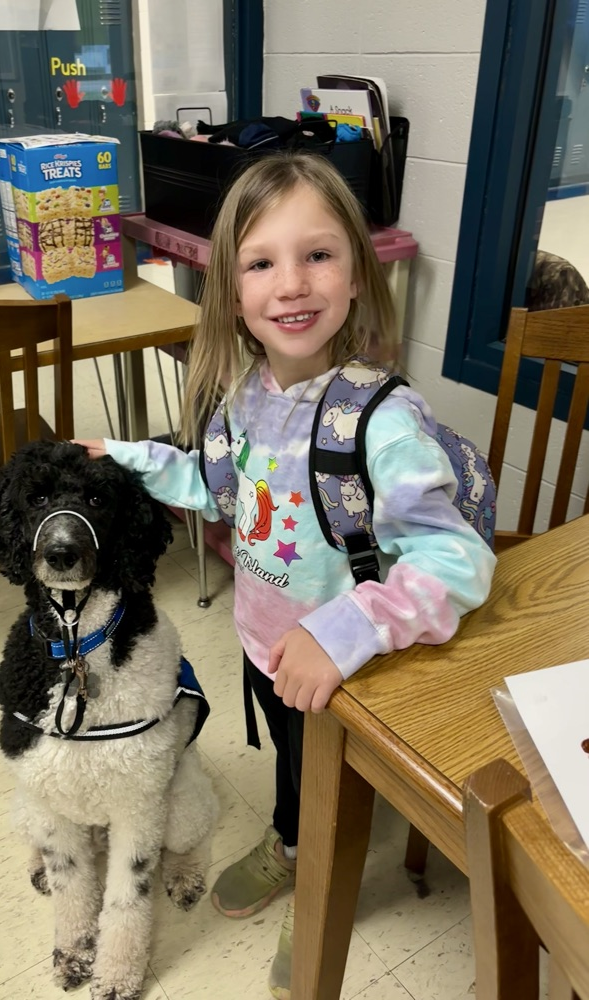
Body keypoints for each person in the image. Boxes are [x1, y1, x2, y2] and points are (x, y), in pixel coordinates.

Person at [76, 152, 496, 999]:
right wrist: (119, 459)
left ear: (357, 273)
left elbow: (457, 560)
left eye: (318, 254)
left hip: (341, 665)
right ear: (232, 295)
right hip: (265, 643)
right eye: (262, 263)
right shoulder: (245, 396)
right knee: (295, 775)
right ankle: (291, 839)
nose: (292, 284)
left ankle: (317, 882)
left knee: (328, 789)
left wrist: (340, 632)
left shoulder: (381, 421)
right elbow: (213, 486)